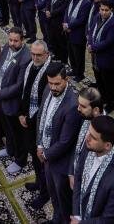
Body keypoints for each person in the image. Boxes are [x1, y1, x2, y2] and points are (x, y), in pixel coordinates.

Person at [34, 62, 80, 219]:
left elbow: (65, 141)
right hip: (46, 153)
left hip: (61, 162)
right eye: (50, 83)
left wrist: (46, 155)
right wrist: (39, 145)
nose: (53, 87)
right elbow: (41, 117)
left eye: (57, 84)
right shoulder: (48, 89)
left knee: (62, 198)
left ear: (67, 79)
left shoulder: (72, 105)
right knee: (53, 194)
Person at [71, 115, 114, 223]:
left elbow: (109, 219)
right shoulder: (89, 147)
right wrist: (76, 215)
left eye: (93, 137)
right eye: (89, 132)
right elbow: (78, 180)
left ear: (107, 145)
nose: (87, 138)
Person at [0, 27, 30, 173]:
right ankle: (10, 149)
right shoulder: (7, 47)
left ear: (22, 40)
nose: (12, 43)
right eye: (10, 39)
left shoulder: (26, 58)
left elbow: (19, 86)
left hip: (13, 102)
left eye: (15, 41)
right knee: (7, 128)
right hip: (0, 96)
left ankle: (20, 160)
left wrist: (0, 93)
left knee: (17, 133)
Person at [18, 40, 51, 185]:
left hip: (39, 123)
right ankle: (39, 182)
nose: (35, 58)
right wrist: (20, 114)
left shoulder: (50, 73)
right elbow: (24, 91)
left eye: (39, 55)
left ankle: (44, 189)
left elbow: (45, 105)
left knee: (41, 159)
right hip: (27, 118)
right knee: (32, 154)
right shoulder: (30, 65)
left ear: (46, 54)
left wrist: (29, 120)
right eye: (33, 54)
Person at [87, 0, 114, 113]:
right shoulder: (97, 17)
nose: (104, 12)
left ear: (111, 10)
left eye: (106, 10)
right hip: (96, 56)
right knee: (99, 80)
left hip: (107, 58)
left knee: (108, 83)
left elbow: (108, 41)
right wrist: (90, 43)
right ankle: (102, 98)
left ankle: (110, 104)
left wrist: (93, 47)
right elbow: (91, 31)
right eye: (102, 10)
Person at [64, 0, 92, 82]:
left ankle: (80, 74)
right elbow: (67, 11)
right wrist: (65, 23)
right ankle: (74, 69)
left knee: (78, 54)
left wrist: (69, 26)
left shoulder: (86, 2)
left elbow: (82, 19)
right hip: (68, 30)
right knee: (71, 52)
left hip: (78, 32)